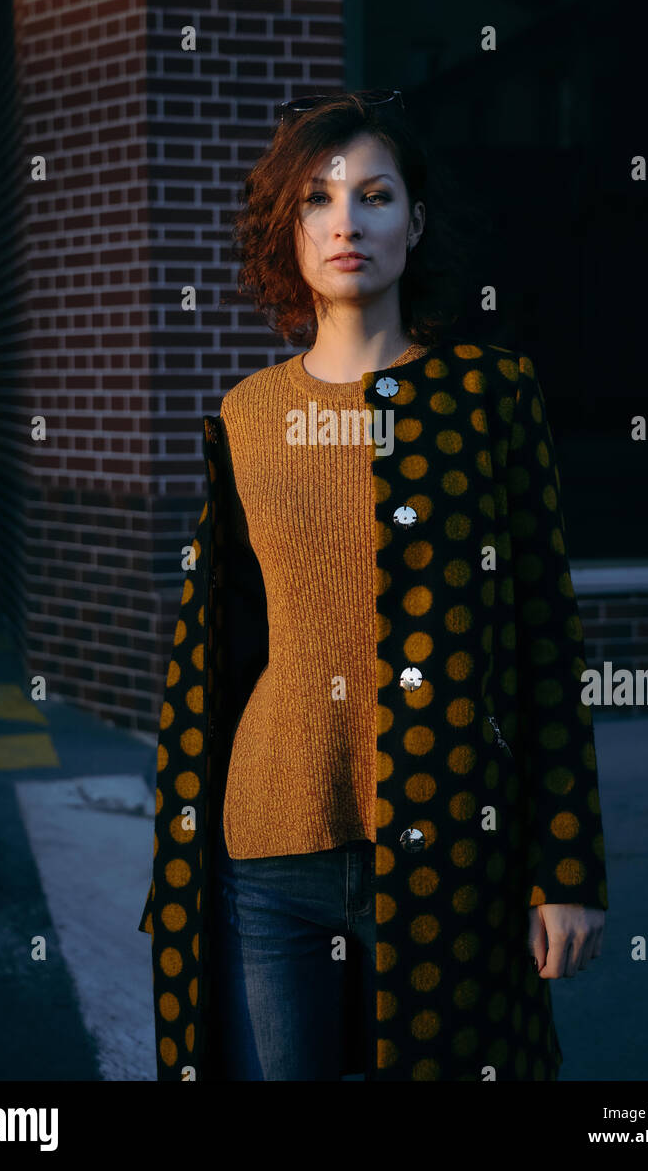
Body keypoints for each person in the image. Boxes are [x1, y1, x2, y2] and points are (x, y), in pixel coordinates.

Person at [141, 88, 608, 1082]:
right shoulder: (246, 414)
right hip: (267, 850)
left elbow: (545, 645)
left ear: (415, 221)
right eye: (316, 198)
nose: (346, 219)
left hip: (450, 846)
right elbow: (214, 652)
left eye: (374, 193)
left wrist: (563, 866)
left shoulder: (488, 394)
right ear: (290, 231)